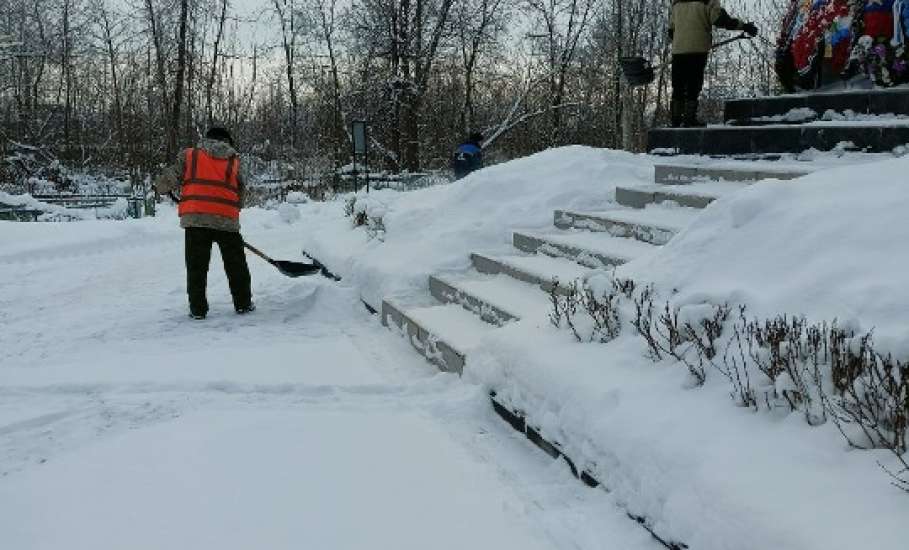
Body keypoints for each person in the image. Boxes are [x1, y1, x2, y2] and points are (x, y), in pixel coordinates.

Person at [155, 126, 254, 320]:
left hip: (196, 220)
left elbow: (169, 179)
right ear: (227, 141)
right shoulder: (235, 160)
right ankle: (243, 303)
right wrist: (232, 208)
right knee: (236, 266)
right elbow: (241, 192)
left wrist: (159, 186)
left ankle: (198, 309)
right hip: (226, 221)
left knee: (196, 267)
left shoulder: (189, 155)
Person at [669, 0, 757, 127]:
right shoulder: (708, 1)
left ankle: (675, 120)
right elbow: (721, 21)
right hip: (697, 49)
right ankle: (689, 119)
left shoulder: (676, 3)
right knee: (693, 84)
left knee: (678, 85)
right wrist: (745, 26)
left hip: (678, 50)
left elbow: (671, 30)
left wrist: (682, 39)